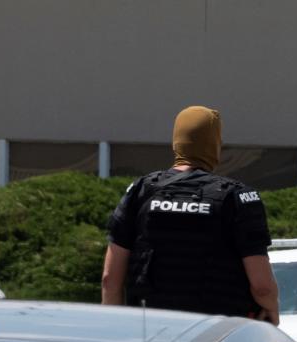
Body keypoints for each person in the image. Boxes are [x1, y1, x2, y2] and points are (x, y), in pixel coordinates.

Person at [101, 105, 279, 323]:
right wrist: (272, 312)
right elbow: (262, 288)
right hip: (217, 335)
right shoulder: (238, 196)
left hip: (150, 334)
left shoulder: (141, 190)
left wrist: (115, 328)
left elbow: (110, 280)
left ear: (177, 141)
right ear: (215, 144)